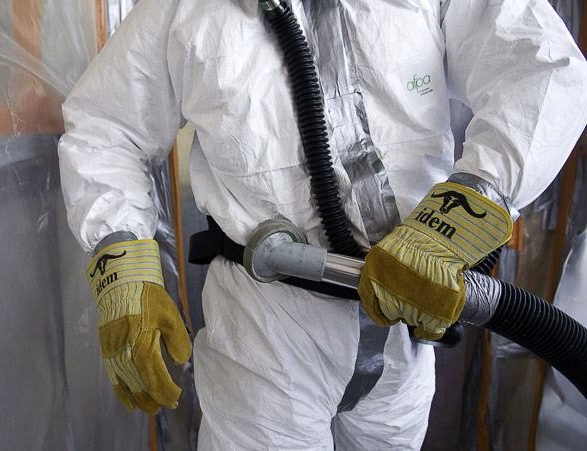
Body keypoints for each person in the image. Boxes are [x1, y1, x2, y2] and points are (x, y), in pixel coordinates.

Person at [57, 0, 587, 449]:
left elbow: (541, 68)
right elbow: (106, 126)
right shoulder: (183, 8)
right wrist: (121, 263)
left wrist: (458, 217)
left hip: (406, 314)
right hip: (266, 329)